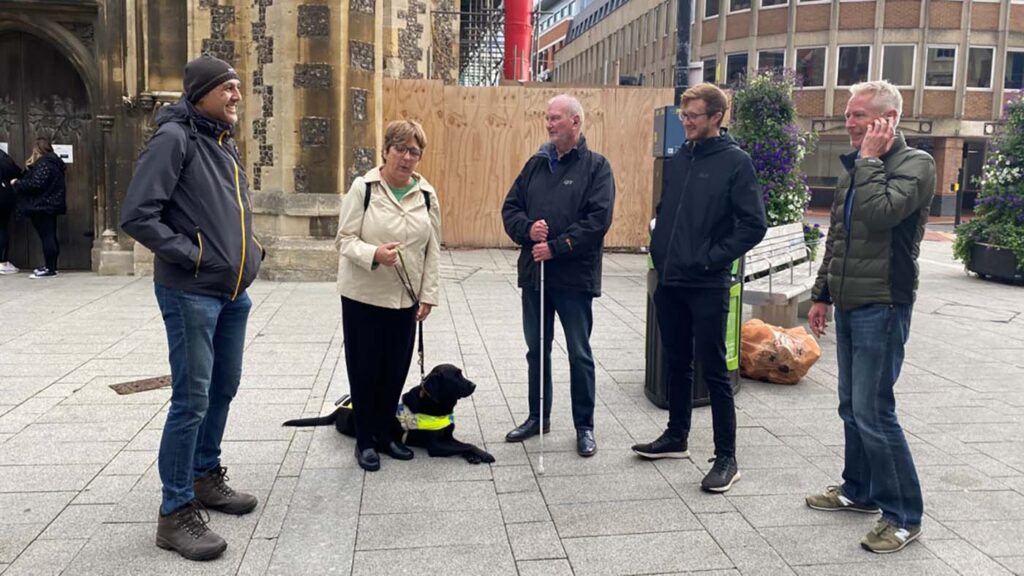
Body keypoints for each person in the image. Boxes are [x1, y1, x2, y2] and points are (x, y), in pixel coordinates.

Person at [121, 54, 264, 562]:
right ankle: (174, 512)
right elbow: (138, 214)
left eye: (238, 87)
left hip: (230, 293)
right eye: (226, 87)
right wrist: (196, 255)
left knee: (224, 387)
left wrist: (253, 251)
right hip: (191, 292)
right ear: (200, 92)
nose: (236, 96)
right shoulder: (174, 138)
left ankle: (204, 475)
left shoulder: (221, 145)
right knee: (192, 399)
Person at [805, 80, 934, 554]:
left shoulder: (916, 164)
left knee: (875, 411)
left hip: (883, 303)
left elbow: (881, 215)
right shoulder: (857, 169)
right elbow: (837, 238)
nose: (849, 123)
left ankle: (903, 515)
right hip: (850, 300)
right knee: (851, 407)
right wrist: (821, 294)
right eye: (849, 114)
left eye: (859, 115)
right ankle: (858, 489)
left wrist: (870, 162)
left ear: (887, 120)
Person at [632, 83, 766, 493]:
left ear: (715, 117)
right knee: (676, 363)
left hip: (706, 282)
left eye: (692, 116)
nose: (685, 122)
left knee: (715, 370)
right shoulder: (680, 158)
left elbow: (754, 225)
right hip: (670, 281)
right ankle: (676, 436)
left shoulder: (736, 163)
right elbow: (666, 210)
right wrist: (659, 241)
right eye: (682, 115)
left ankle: (727, 457)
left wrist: (711, 257)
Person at [501, 94, 615, 458]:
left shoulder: (597, 167)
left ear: (576, 122)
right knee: (537, 350)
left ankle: (585, 426)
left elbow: (598, 221)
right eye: (547, 118)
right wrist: (527, 230)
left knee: (579, 353)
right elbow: (510, 208)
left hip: (573, 278)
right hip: (536, 277)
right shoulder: (536, 164)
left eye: (555, 119)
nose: (549, 124)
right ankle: (538, 417)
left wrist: (558, 246)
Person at [336, 119, 441, 472]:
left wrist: (428, 295)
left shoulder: (426, 194)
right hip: (363, 296)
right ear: (385, 150)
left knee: (395, 369)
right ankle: (365, 440)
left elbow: (433, 250)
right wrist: (374, 255)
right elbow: (344, 240)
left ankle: (385, 434)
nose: (407, 158)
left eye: (414, 151)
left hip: (405, 299)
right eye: (401, 149)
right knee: (365, 369)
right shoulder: (363, 189)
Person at [9, 137, 65, 278]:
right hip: (51, 204)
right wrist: (29, 168)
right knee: (50, 236)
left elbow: (36, 184)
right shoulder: (55, 163)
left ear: (37, 149)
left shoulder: (44, 163)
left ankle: (50, 269)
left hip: (42, 205)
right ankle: (51, 266)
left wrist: (17, 182)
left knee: (47, 237)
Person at [0, 148, 23, 274]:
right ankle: (2, 262)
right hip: (3, 197)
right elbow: (16, 171)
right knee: (2, 228)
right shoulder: (2, 157)